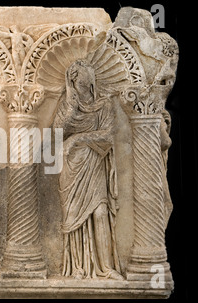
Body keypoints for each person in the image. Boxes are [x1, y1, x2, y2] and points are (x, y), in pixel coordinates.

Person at [52, 60, 124, 280]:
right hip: (71, 166)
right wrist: (72, 110)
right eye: (81, 74)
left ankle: (105, 267)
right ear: (73, 79)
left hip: (94, 162)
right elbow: (55, 134)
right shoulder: (67, 105)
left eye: (88, 73)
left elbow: (109, 135)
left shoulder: (104, 104)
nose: (87, 77)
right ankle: (77, 267)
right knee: (73, 216)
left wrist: (78, 138)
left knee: (100, 213)